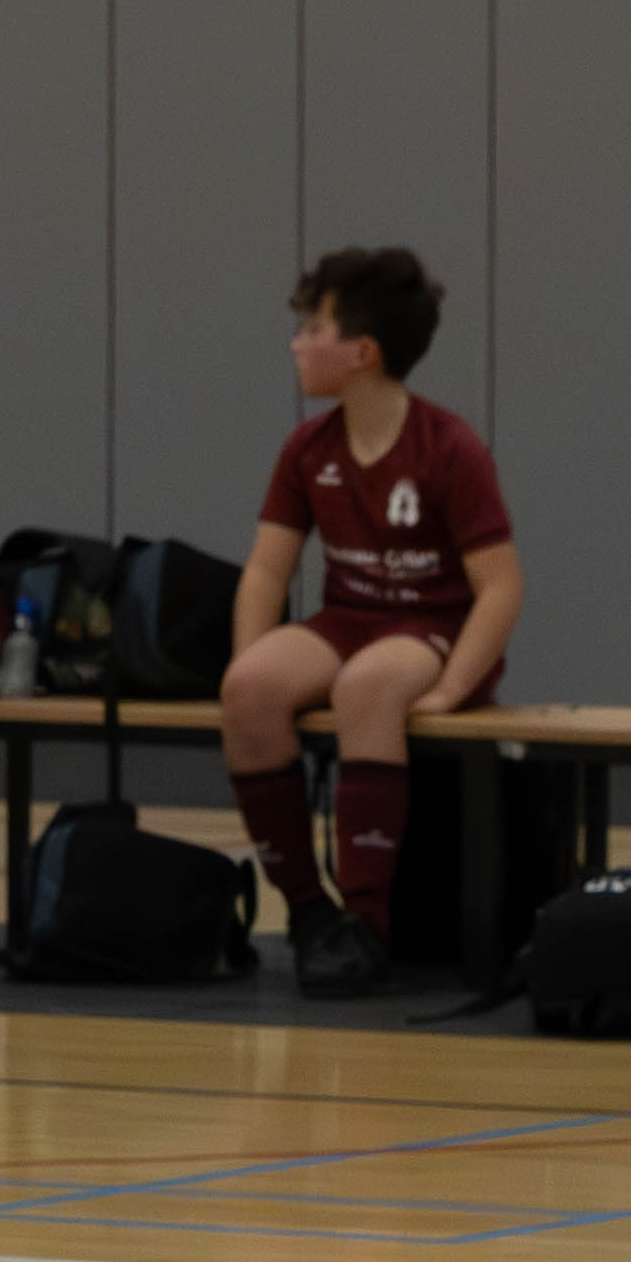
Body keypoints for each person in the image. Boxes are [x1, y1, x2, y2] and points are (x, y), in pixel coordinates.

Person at [220, 243, 522, 1002]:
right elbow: (266, 571)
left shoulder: (449, 447)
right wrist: (249, 662)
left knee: (366, 687)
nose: (297, 344)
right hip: (349, 620)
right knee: (249, 689)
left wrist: (452, 689)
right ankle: (309, 912)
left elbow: (500, 588)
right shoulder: (308, 448)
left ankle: (367, 925)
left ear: (363, 352)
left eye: (312, 329)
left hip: (434, 630)